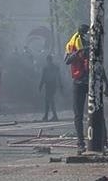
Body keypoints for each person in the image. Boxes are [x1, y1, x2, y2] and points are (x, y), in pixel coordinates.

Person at [65, 24, 90, 154]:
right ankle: (80, 143)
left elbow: (99, 65)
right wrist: (78, 52)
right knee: (78, 114)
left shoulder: (92, 45)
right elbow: (67, 60)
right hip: (78, 81)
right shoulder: (73, 44)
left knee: (97, 113)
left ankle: (103, 142)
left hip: (91, 82)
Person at [38, 54, 62, 122]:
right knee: (48, 101)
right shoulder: (54, 68)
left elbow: (43, 78)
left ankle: (54, 116)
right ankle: (47, 116)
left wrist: (40, 86)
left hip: (50, 86)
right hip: (51, 86)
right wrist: (60, 85)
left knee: (50, 101)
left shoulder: (47, 68)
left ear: (48, 60)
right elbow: (58, 77)